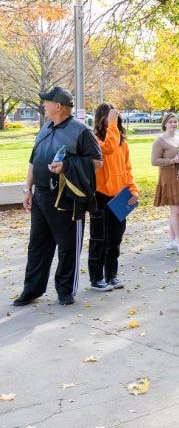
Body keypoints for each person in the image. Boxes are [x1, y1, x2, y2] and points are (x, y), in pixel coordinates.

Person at [13, 87, 102, 307]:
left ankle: (65, 290)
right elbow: (34, 160)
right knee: (37, 245)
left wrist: (67, 166)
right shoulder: (44, 127)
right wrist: (27, 189)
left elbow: (97, 164)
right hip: (41, 197)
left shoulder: (81, 131)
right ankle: (32, 289)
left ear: (58, 106)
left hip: (67, 199)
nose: (43, 105)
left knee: (68, 246)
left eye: (46, 102)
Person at [88, 104, 138, 292]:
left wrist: (133, 191)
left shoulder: (122, 142)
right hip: (100, 195)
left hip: (120, 196)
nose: (114, 121)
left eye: (116, 118)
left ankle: (111, 275)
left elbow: (127, 169)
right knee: (99, 239)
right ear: (102, 118)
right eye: (110, 118)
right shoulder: (94, 140)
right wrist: (111, 124)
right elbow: (107, 148)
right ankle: (96, 278)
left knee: (115, 239)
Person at [151, 112, 179, 254]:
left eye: (175, 121)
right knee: (176, 210)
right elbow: (154, 161)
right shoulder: (159, 141)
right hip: (168, 178)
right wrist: (172, 161)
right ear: (165, 124)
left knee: (175, 210)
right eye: (170, 121)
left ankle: (172, 240)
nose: (174, 124)